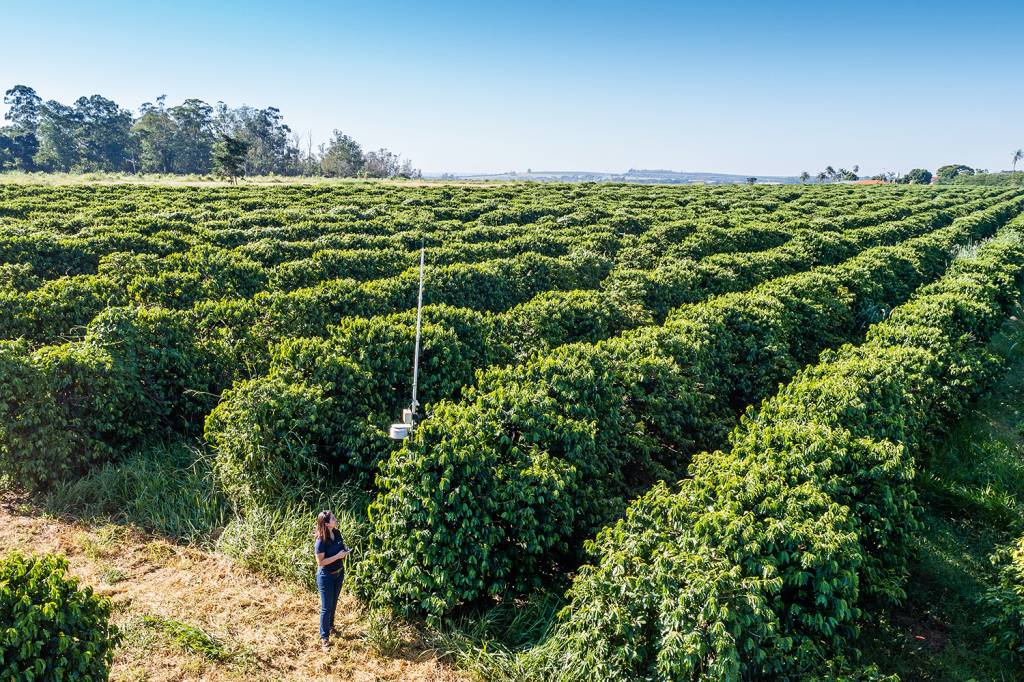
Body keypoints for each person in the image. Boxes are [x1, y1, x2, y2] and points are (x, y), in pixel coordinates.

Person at [314, 509, 351, 651]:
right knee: (326, 607)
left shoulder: (337, 533)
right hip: (326, 576)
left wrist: (345, 551)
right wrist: (338, 557)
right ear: (327, 524)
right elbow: (321, 562)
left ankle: (330, 626)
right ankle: (324, 638)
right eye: (333, 518)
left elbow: (340, 548)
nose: (335, 519)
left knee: (334, 602)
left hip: (338, 573)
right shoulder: (320, 541)